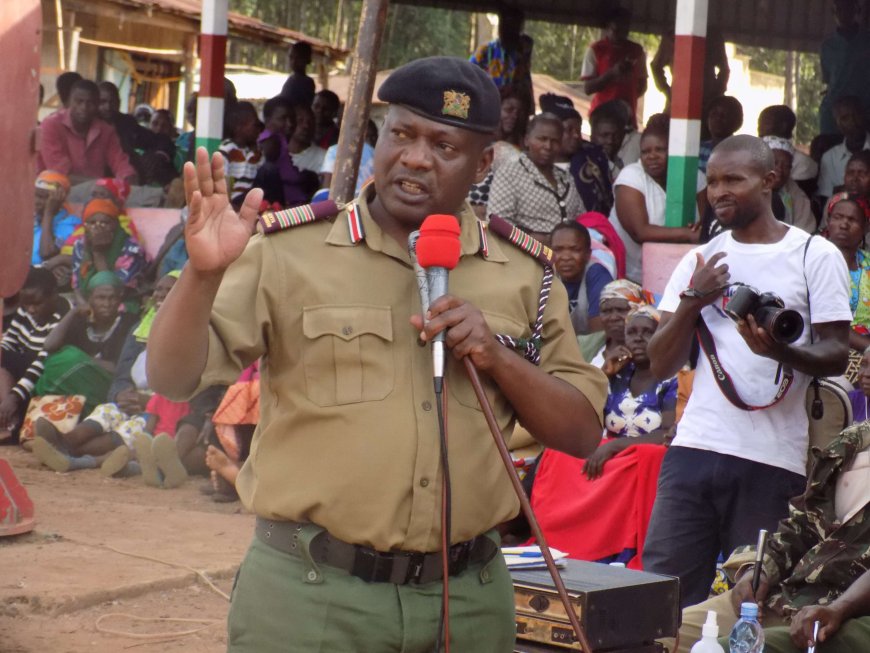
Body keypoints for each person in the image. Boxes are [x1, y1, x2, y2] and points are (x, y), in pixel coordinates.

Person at [146, 56, 608, 652]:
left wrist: (497, 357)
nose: (416, 157)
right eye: (402, 134)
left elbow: (580, 433)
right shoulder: (292, 251)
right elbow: (172, 377)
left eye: (444, 145)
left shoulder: (523, 272)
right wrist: (202, 277)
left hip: (465, 600)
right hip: (312, 598)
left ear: (484, 164)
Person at [644, 134, 851, 608]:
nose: (719, 191)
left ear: (770, 180)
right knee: (660, 598)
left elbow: (837, 353)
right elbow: (660, 363)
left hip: (773, 459)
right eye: (713, 180)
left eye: (733, 179)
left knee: (756, 606)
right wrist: (693, 299)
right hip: (694, 448)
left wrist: (780, 352)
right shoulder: (701, 259)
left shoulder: (813, 254)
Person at [672, 422, 870, 653]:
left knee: (727, 650)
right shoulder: (854, 441)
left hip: (838, 620)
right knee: (654, 633)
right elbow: (802, 527)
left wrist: (839, 608)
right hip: (778, 600)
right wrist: (758, 573)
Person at [532, 304, 676, 567]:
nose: (638, 338)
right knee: (557, 451)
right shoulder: (617, 375)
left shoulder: (671, 377)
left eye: (647, 332)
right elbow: (580, 415)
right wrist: (604, 372)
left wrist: (614, 447)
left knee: (645, 456)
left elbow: (667, 433)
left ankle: (617, 547)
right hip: (612, 453)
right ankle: (560, 539)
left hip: (642, 454)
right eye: (632, 332)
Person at [609, 119, 704, 282]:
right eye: (646, 152)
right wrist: (688, 234)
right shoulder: (631, 176)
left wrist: (700, 226)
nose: (652, 156)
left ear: (674, 151)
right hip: (631, 275)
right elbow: (640, 232)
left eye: (660, 150)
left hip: (680, 274)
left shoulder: (693, 175)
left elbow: (708, 221)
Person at [33, 271, 139, 416]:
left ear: (119, 300)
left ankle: (42, 420)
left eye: (112, 298)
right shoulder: (80, 321)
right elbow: (49, 346)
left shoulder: (129, 323)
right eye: (101, 298)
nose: (107, 304)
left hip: (108, 387)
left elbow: (119, 368)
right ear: (90, 299)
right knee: (53, 363)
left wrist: (80, 360)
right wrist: (73, 312)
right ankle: (48, 426)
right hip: (76, 387)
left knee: (67, 359)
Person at [487, 113, 585, 241]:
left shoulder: (566, 178)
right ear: (527, 140)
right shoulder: (510, 173)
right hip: (525, 254)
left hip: (566, 256)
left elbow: (581, 217)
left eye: (554, 141)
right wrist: (538, 240)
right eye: (542, 139)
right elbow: (497, 222)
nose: (548, 146)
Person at [0, 268, 72, 441]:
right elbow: (9, 340)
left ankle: (10, 420)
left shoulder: (63, 314)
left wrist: (14, 396)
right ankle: (8, 417)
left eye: (36, 303)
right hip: (22, 372)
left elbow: (42, 360)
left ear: (54, 295)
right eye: (26, 304)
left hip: (44, 375)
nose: (30, 310)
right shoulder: (26, 307)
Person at [37, 79, 137, 184]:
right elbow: (61, 174)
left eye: (90, 103)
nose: (84, 107)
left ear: (97, 104)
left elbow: (120, 162)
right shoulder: (51, 125)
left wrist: (128, 177)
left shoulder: (106, 131)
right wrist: (105, 184)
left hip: (95, 194)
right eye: (79, 101)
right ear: (70, 102)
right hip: (52, 193)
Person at [542, 94, 614, 215]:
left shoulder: (594, 156)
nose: (576, 135)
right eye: (569, 130)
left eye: (578, 130)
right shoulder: (536, 165)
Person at [824, 192, 870, 382]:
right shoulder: (815, 261)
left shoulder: (867, 263)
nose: (844, 224)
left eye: (852, 220)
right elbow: (827, 323)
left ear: (866, 227)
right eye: (838, 217)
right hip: (830, 346)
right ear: (828, 222)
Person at [581, 7, 648, 130]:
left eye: (624, 30)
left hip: (627, 117)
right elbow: (587, 88)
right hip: (601, 116)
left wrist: (626, 97)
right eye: (615, 29)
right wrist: (611, 74)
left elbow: (643, 85)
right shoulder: (596, 50)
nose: (620, 34)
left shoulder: (637, 51)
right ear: (607, 27)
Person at [97, 81, 175, 185]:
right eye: (103, 102)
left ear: (119, 103)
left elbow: (160, 140)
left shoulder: (126, 122)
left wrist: (159, 155)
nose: (108, 107)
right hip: (97, 180)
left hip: (130, 178)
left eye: (112, 102)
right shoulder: (88, 124)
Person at [467, 87, 527, 216]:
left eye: (518, 112)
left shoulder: (519, 150)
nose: (514, 116)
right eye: (509, 110)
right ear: (494, 110)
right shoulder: (476, 141)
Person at [650, 27, 729, 119]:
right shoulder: (672, 37)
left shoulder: (713, 37)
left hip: (704, 102)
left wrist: (716, 95)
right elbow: (656, 66)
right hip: (681, 101)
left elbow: (724, 70)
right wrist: (667, 91)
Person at [550, 221, 614, 335]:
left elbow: (598, 336)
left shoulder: (598, 274)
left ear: (588, 254)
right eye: (558, 250)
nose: (565, 257)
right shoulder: (544, 274)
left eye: (575, 250)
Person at [819, 0, 870, 135]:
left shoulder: (867, 41)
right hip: (834, 109)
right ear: (833, 12)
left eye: (848, 9)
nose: (843, 14)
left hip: (864, 109)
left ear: (857, 10)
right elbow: (828, 80)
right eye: (838, 9)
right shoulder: (827, 46)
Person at [255, 95, 313, 208]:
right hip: (284, 206)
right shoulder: (272, 142)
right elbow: (271, 175)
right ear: (267, 120)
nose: (290, 124)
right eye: (283, 119)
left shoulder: (278, 139)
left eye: (292, 118)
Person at [818, 95, 870, 202]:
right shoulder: (830, 158)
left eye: (856, 115)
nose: (853, 122)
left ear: (864, 116)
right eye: (845, 118)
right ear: (838, 124)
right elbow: (826, 198)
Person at [763, 135, 817, 233]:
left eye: (787, 166)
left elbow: (805, 229)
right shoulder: (747, 187)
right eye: (775, 163)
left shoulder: (794, 192)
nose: (780, 169)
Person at [758, 105, 819, 192]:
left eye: (766, 123)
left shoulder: (804, 164)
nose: (759, 128)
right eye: (759, 123)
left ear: (783, 126)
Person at [31, 171, 80, 274]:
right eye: (35, 195)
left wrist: (49, 213)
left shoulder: (71, 225)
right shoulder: (31, 218)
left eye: (43, 197)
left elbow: (46, 253)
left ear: (59, 200)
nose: (36, 201)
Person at [218, 102, 264, 210]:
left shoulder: (255, 151)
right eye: (254, 125)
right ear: (239, 127)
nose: (258, 130)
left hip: (251, 196)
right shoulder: (227, 149)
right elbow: (223, 181)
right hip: (235, 200)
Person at [699, 96, 744, 174]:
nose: (718, 118)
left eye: (725, 115)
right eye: (714, 114)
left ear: (737, 121)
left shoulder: (743, 153)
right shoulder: (698, 149)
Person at [590, 102, 628, 176]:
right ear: (592, 136)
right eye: (604, 135)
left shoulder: (621, 164)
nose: (610, 141)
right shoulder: (585, 164)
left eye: (615, 135)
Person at [288, 103, 326, 174]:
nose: (306, 126)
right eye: (300, 121)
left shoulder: (324, 157)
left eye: (310, 122)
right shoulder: (276, 153)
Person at [280, 41, 315, 108]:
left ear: (307, 59)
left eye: (298, 58)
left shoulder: (306, 82)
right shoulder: (292, 78)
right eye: (291, 57)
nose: (294, 61)